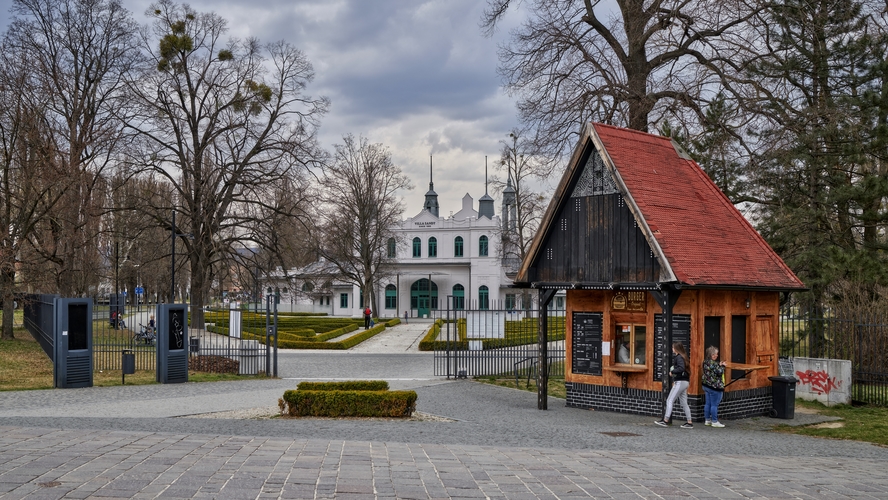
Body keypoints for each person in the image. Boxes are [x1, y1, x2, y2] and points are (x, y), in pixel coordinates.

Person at [655, 342, 693, 428]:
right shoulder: (684, 357)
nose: (672, 349)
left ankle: (665, 420)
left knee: (669, 400)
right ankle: (689, 422)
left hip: (680, 381)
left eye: (673, 348)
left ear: (676, 349)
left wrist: (672, 372)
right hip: (685, 382)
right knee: (684, 403)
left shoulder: (678, 357)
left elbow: (681, 368)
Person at [702, 345, 727, 427]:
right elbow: (719, 372)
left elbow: (713, 370)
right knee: (714, 405)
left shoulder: (705, 362)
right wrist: (723, 366)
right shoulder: (714, 364)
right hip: (714, 386)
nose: (716, 355)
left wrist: (719, 365)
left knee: (708, 404)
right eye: (715, 354)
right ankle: (715, 421)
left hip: (706, 385)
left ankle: (707, 420)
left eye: (716, 354)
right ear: (711, 355)